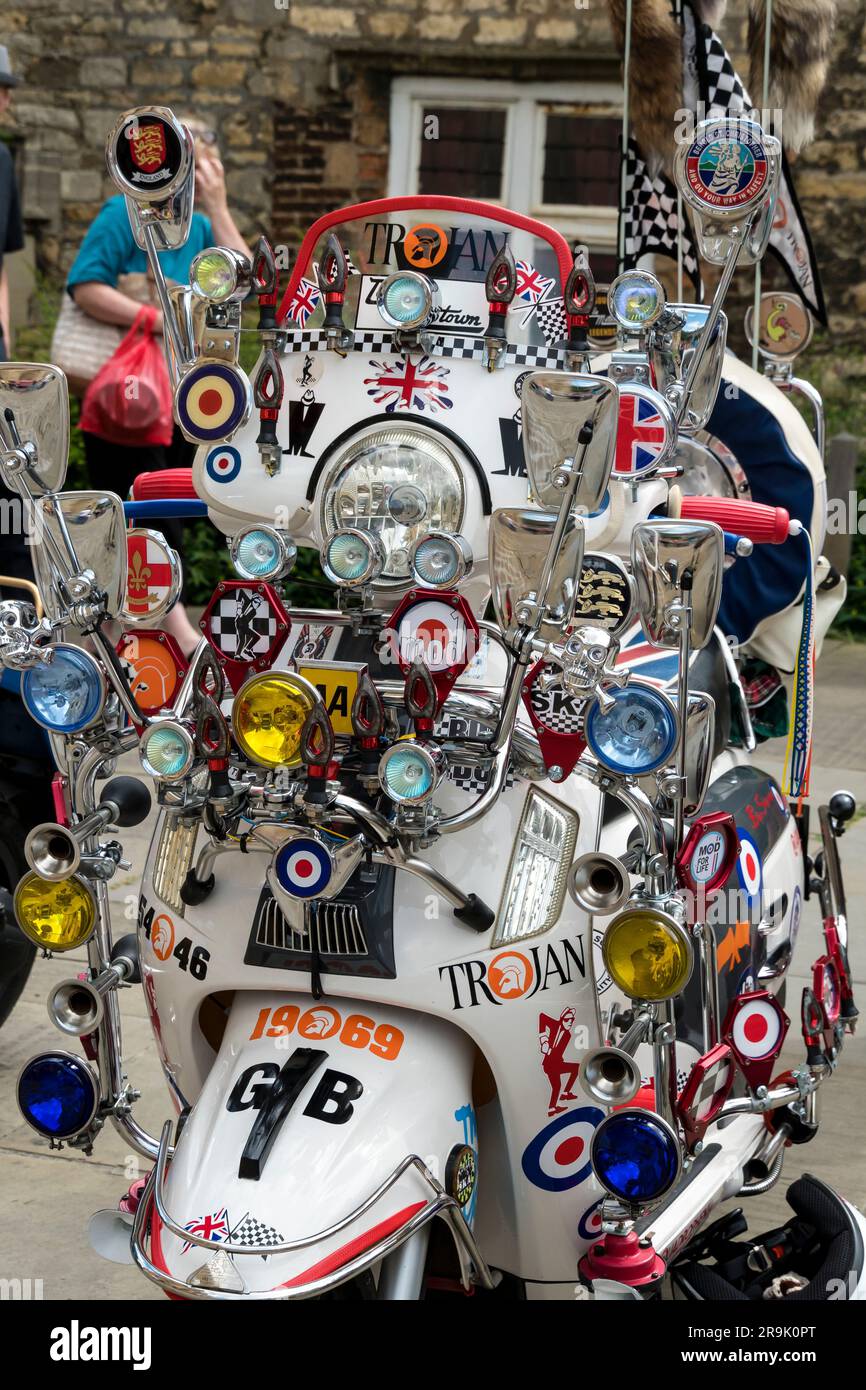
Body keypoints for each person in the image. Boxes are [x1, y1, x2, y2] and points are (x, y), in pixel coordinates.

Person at [66, 119, 250, 652]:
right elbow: (85, 284)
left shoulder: (204, 226)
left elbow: (249, 286)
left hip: (190, 395)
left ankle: (121, 626)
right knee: (138, 505)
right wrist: (156, 318)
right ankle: (170, 630)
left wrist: (218, 207)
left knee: (179, 502)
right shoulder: (121, 216)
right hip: (132, 394)